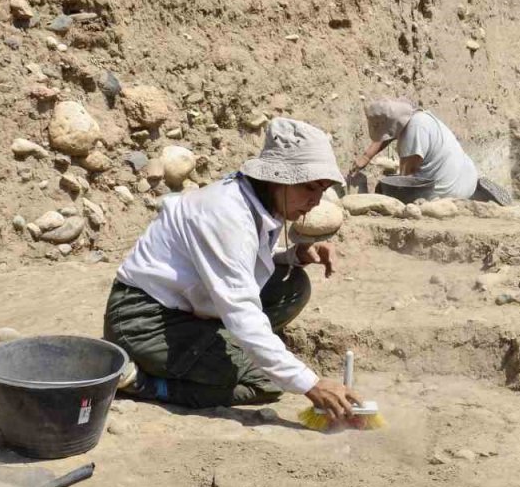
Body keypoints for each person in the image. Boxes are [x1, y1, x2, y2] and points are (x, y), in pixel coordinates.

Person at [104, 118, 360, 423]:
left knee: (292, 285)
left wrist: (293, 256)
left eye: (323, 190)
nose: (315, 201)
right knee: (267, 382)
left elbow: (237, 261)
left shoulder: (258, 201)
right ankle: (144, 382)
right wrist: (312, 384)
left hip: (187, 309)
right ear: (279, 178)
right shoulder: (226, 214)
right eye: (309, 187)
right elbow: (241, 309)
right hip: (144, 321)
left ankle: (222, 353)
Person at [348, 98, 512, 205]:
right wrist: (366, 157)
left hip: (446, 191)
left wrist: (390, 185)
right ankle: (477, 194)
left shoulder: (414, 131)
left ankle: (459, 198)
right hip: (468, 176)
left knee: (387, 189)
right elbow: (389, 134)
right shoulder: (420, 118)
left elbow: (406, 178)